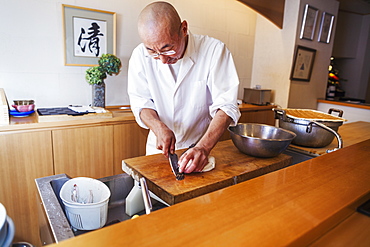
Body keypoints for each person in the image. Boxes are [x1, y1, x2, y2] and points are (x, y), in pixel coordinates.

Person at [128, 1, 240, 174]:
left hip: (199, 150)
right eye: (153, 52)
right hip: (157, 151)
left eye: (168, 48)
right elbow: (140, 102)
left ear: (184, 29)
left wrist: (203, 147)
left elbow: (226, 106)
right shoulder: (139, 56)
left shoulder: (214, 51)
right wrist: (158, 127)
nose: (163, 59)